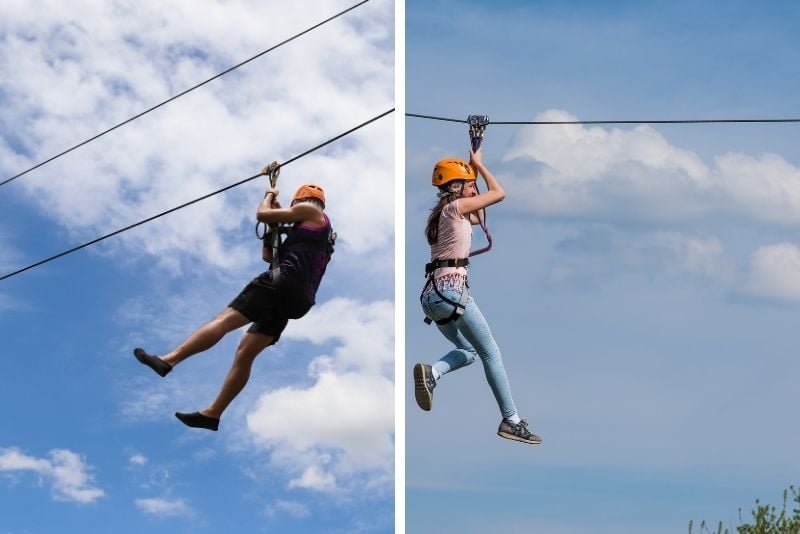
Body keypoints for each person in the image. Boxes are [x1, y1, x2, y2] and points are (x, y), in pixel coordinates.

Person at [133, 183, 334, 431]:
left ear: (300, 202)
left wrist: (269, 195)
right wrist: (274, 229)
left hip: (280, 284)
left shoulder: (312, 213)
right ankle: (213, 413)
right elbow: (268, 256)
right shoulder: (312, 234)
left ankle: (168, 360)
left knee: (224, 320)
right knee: (245, 354)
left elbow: (261, 214)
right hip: (297, 301)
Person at [413, 149, 541, 445]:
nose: (475, 188)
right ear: (458, 186)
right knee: (490, 352)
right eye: (470, 184)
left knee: (469, 351)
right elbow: (499, 193)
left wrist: (473, 166)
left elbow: (480, 214)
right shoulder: (456, 208)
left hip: (432, 298)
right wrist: (481, 166)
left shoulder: (441, 214)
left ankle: (433, 372)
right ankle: (511, 420)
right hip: (452, 292)